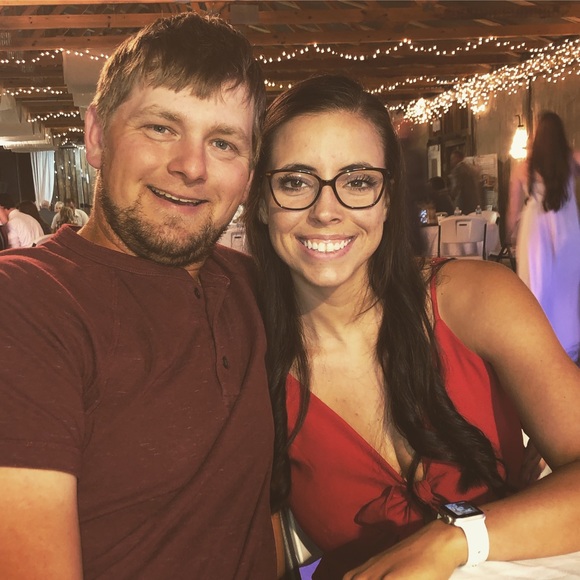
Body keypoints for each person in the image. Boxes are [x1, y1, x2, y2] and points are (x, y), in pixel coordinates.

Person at [243, 75, 580, 579]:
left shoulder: (475, 299)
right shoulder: (251, 364)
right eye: (295, 182)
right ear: (261, 201)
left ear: (387, 198)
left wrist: (454, 540)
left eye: (358, 182)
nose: (326, 211)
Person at [0, 12, 277, 579]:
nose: (191, 167)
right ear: (97, 137)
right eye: (160, 128)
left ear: (249, 173)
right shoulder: (25, 302)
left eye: (223, 142)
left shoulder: (255, 287)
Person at [509, 111, 580, 363]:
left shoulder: (523, 168)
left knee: (536, 288)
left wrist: (510, 235)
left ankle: (537, 347)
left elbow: (512, 213)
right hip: (567, 230)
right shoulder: (571, 162)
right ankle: (568, 346)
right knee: (566, 290)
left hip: (535, 234)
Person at [448, 150, 483, 215]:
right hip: (474, 203)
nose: (451, 161)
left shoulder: (458, 169)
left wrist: (450, 197)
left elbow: (456, 187)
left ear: (458, 158)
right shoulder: (470, 168)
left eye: (452, 159)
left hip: (463, 204)